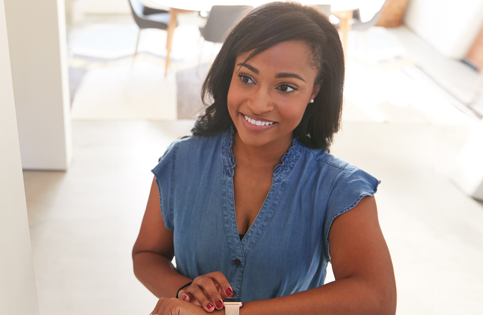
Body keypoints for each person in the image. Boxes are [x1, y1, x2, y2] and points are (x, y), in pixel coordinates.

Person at [132, 2, 396, 314]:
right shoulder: (182, 161)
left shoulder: (340, 189)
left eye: (285, 87)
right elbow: (147, 254)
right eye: (246, 78)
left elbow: (377, 299)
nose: (258, 104)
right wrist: (185, 291)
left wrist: (233, 314)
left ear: (315, 90)